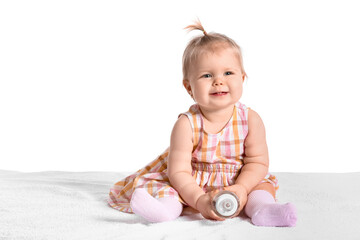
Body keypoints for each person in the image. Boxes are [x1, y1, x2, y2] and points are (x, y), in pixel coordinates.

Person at [108, 20, 297, 227]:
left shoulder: (251, 119)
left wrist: (242, 188)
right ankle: (164, 210)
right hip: (193, 181)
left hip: (241, 179)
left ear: (242, 78)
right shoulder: (186, 124)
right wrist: (198, 199)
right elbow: (179, 172)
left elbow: (257, 163)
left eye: (228, 73)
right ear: (189, 87)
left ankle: (263, 210)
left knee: (261, 187)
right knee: (170, 189)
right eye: (207, 75)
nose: (218, 81)